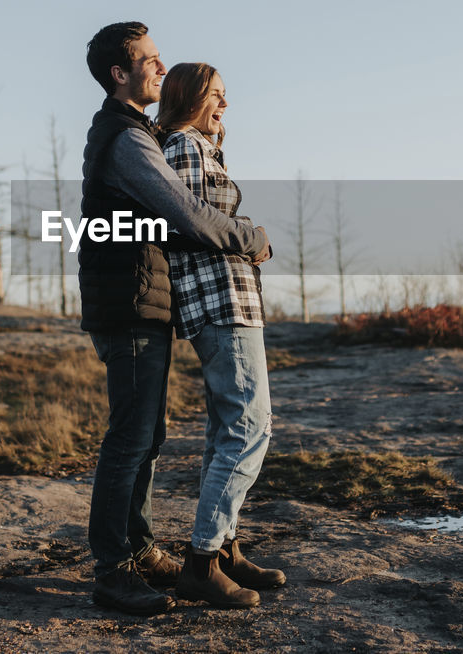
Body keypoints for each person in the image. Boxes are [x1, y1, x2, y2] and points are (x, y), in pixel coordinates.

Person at [79, 22, 271, 616]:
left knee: (149, 435)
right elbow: (185, 211)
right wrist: (249, 236)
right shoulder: (128, 140)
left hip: (145, 299)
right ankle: (113, 571)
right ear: (120, 72)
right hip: (128, 303)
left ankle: (136, 550)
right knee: (131, 437)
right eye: (151, 60)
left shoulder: (136, 132)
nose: (162, 69)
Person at [157, 62, 286, 609]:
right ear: (189, 98)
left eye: (226, 96)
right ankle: (202, 559)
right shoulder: (184, 147)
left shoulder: (200, 148)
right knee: (249, 426)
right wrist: (251, 238)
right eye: (216, 95)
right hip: (220, 302)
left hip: (229, 300)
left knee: (223, 432)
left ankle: (226, 549)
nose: (224, 105)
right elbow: (192, 222)